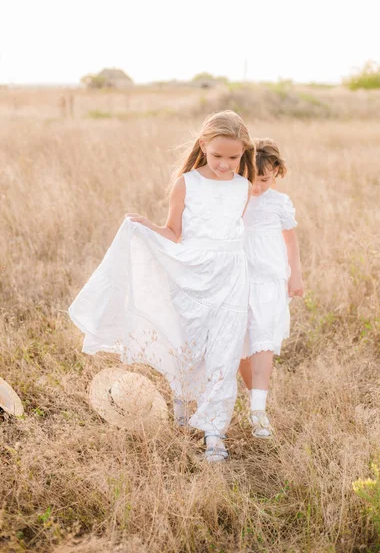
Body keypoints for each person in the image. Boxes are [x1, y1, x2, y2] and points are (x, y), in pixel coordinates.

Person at [69, 110, 255, 462]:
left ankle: (214, 431)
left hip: (231, 277)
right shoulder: (187, 182)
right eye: (217, 156)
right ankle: (183, 403)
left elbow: (233, 234)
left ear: (244, 151)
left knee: (225, 353)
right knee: (187, 345)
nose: (225, 164)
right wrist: (144, 227)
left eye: (234, 157)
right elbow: (174, 233)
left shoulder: (243, 187)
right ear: (203, 145)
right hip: (190, 275)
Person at [239, 138, 304, 438]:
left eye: (263, 179)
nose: (256, 186)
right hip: (238, 276)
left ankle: (258, 409)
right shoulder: (237, 196)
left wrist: (296, 276)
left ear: (276, 171)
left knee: (263, 338)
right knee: (240, 342)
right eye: (252, 178)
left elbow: (290, 241)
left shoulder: (279, 202)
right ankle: (254, 397)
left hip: (269, 277)